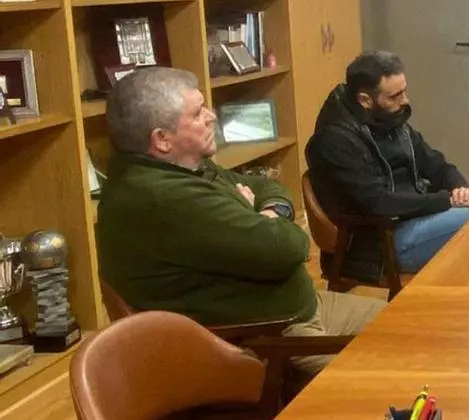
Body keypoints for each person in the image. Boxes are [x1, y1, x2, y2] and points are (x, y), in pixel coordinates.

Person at [96, 68, 385, 375]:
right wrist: (254, 214)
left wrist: (267, 213)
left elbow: (265, 186)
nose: (212, 117)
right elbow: (291, 247)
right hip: (265, 339)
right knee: (385, 381)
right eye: (197, 113)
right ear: (162, 139)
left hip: (299, 307)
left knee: (408, 324)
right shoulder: (164, 197)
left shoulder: (184, 168)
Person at [307, 50, 469, 278]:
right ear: (365, 100)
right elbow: (378, 202)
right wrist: (446, 200)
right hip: (377, 244)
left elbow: (435, 164)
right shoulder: (335, 140)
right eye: (395, 96)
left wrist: (459, 188)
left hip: (408, 220)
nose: (405, 101)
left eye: (404, 91)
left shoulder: (389, 118)